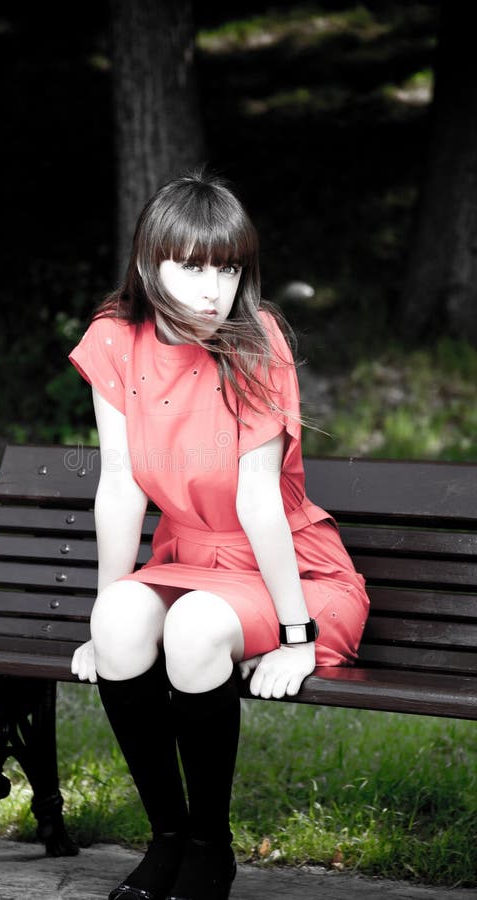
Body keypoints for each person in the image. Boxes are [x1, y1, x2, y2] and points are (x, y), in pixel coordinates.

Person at [68, 170, 369, 900]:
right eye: (192, 268)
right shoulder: (115, 339)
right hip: (189, 558)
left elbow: (260, 499)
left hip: (290, 571)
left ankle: (209, 847)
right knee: (116, 617)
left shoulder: (256, 340)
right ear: (150, 263)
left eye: (228, 269)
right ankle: (166, 838)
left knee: (198, 626)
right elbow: (120, 486)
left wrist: (297, 637)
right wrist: (108, 627)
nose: (213, 291)